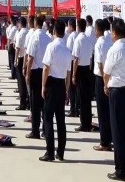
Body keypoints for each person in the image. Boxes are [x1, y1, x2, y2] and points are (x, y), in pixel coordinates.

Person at [103, 18, 125, 181]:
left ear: (115, 33)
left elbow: (106, 72)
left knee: (116, 131)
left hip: (116, 90)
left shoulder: (114, 49)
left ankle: (120, 170)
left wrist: (105, 85)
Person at [40, 20, 71, 162]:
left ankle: (50, 151)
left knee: (48, 118)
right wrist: (67, 90)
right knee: (60, 120)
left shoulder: (51, 46)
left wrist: (43, 86)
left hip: (51, 83)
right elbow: (68, 73)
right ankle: (61, 152)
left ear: (54, 32)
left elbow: (46, 68)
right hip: (61, 84)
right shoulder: (67, 50)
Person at [25, 15, 50, 140]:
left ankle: (35, 130)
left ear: (35, 23)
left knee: (35, 104)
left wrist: (27, 73)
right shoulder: (47, 37)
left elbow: (30, 57)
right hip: (45, 71)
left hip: (35, 71)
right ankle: (45, 130)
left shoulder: (34, 36)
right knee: (44, 102)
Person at [72, 18, 96, 133]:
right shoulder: (87, 39)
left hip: (80, 70)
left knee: (81, 98)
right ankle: (88, 122)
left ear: (78, 27)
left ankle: (84, 124)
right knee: (87, 98)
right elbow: (90, 56)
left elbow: (76, 59)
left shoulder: (78, 39)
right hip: (87, 69)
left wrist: (73, 74)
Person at [93, 18, 113, 152]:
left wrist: (104, 83)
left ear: (97, 30)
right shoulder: (109, 40)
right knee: (108, 110)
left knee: (102, 111)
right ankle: (109, 138)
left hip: (101, 78)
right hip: (109, 76)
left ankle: (104, 142)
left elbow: (100, 64)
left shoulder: (99, 42)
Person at [15, 16, 30, 110]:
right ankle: (28, 101)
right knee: (26, 81)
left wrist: (15, 59)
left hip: (21, 58)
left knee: (21, 82)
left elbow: (17, 48)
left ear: (20, 24)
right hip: (27, 58)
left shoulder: (20, 33)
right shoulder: (28, 32)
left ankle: (22, 103)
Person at [65, 18, 78, 117]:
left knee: (71, 88)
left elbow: (69, 52)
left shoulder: (71, 37)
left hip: (72, 62)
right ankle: (77, 107)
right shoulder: (78, 35)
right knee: (76, 88)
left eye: (68, 26)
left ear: (71, 26)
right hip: (79, 63)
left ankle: (73, 109)